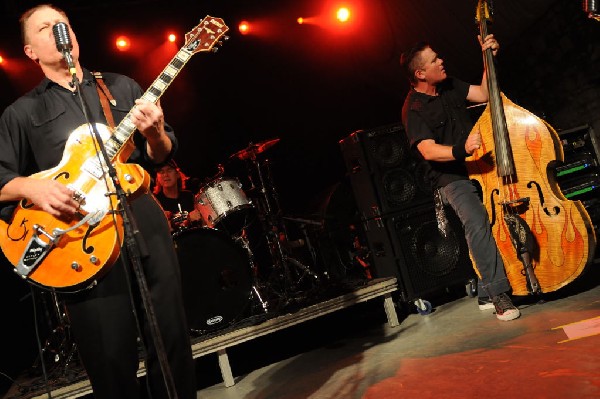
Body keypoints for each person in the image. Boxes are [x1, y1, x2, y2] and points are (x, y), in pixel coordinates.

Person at [0, 4, 196, 398]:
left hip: (141, 218)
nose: (59, 30)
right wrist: (35, 189)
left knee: (170, 338)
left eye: (64, 24)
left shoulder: (121, 86)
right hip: (79, 238)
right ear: (31, 52)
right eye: (45, 27)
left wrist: (156, 133)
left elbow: (161, 155)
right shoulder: (21, 113)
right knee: (109, 357)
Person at [400, 34, 520, 321]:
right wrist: (461, 150)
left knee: (496, 218)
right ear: (420, 73)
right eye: (434, 60)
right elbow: (428, 151)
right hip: (449, 177)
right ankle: (498, 295)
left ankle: (483, 290)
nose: (442, 61)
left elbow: (484, 94)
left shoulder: (450, 84)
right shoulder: (413, 110)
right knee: (477, 222)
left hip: (477, 165)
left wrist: (487, 57)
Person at [153, 160, 203, 232]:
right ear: (157, 178)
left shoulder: (189, 196)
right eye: (161, 172)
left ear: (177, 174)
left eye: (169, 170)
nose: (165, 175)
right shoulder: (155, 201)